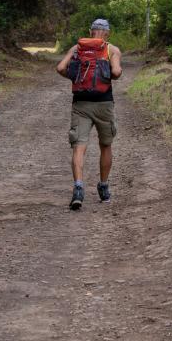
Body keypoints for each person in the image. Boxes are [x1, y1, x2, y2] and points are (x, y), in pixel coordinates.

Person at [55, 18, 122, 210]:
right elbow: (116, 73)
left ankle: (78, 187)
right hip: (104, 104)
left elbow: (60, 68)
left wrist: (74, 78)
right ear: (107, 33)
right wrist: (113, 71)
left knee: (79, 147)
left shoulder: (77, 48)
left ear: (91, 31)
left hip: (80, 103)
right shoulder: (112, 50)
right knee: (106, 145)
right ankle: (103, 186)